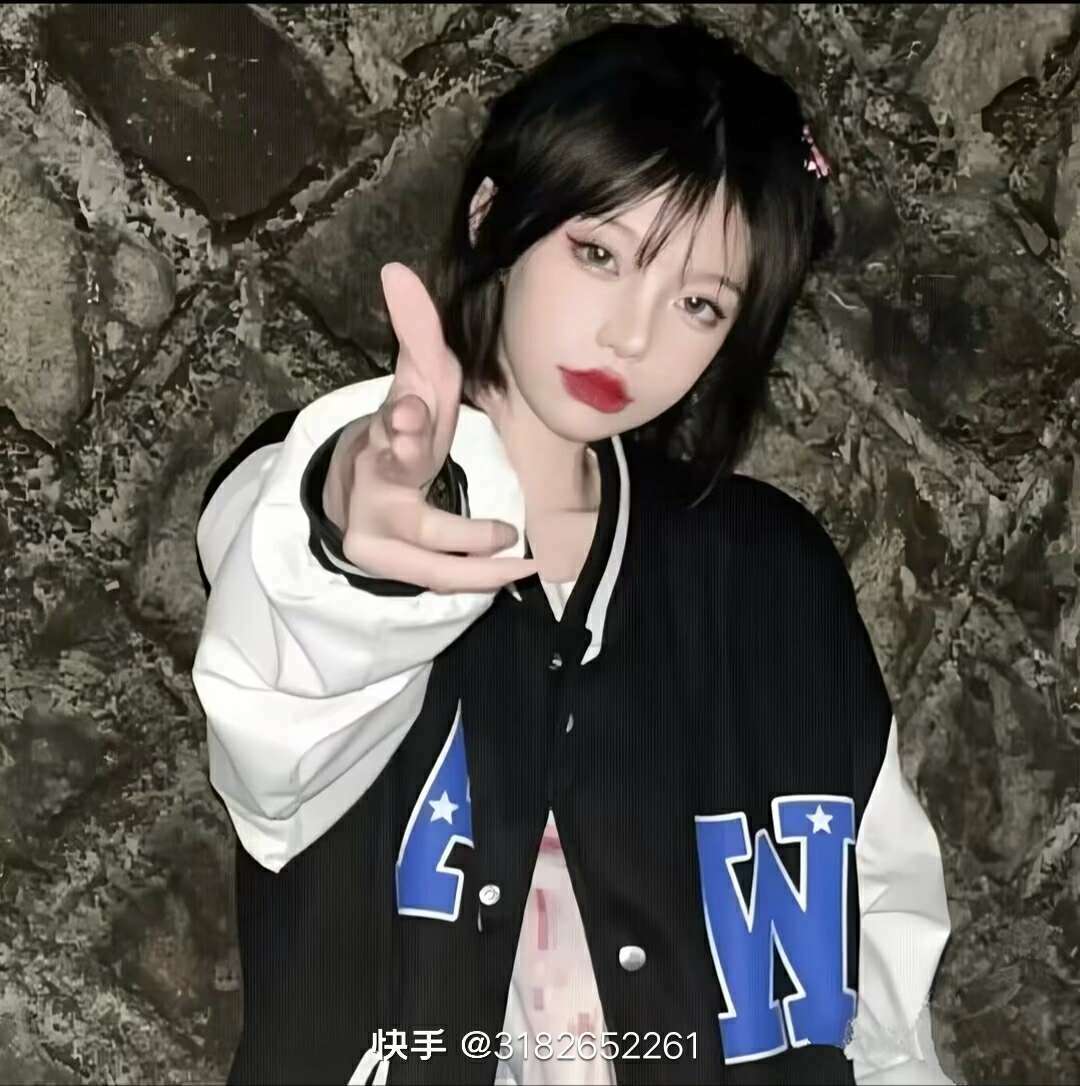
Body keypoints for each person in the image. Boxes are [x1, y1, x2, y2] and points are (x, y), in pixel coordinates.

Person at [191, 16, 954, 1086]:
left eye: (698, 303)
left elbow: (880, 977)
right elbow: (281, 695)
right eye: (598, 253)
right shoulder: (295, 495)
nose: (633, 336)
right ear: (493, 214)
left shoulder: (774, 577)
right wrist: (352, 518)